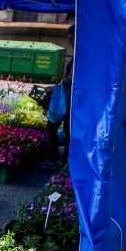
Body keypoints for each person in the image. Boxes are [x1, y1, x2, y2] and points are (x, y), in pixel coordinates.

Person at [38, 23, 74, 170]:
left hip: (69, 99)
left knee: (53, 126)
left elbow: (71, 79)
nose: (70, 41)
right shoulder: (81, 54)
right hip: (70, 99)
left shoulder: (80, 55)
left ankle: (54, 159)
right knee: (67, 130)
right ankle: (64, 160)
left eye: (72, 38)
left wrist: (56, 86)